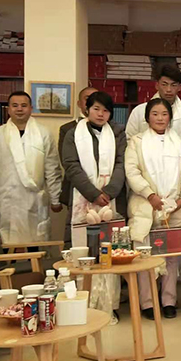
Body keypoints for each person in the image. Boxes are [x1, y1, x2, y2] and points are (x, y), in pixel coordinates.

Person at [125, 98, 181, 319]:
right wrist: (150, 195)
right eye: (155, 114)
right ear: (147, 117)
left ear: (170, 118)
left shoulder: (180, 143)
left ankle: (169, 300)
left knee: (171, 256)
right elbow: (132, 171)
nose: (160, 118)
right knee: (145, 255)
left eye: (164, 114)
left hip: (175, 208)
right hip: (146, 205)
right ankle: (148, 302)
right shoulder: (136, 142)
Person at [60, 91, 127, 323]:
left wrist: (108, 192)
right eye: (96, 109)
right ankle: (83, 304)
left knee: (110, 249)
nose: (101, 114)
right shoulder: (72, 133)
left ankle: (109, 305)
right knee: (83, 251)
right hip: (82, 198)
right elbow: (71, 165)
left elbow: (121, 163)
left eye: (106, 110)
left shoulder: (117, 133)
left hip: (111, 199)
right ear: (86, 109)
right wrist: (93, 193)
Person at [0, 91, 63, 243]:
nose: (19, 109)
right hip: (6, 198)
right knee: (6, 241)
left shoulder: (43, 134)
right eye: (15, 105)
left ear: (31, 108)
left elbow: (52, 169)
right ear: (8, 109)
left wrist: (55, 198)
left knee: (35, 242)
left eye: (24, 105)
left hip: (34, 199)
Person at [126, 66, 181, 140]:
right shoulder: (139, 111)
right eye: (164, 84)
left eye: (173, 85)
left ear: (179, 87)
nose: (168, 89)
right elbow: (129, 139)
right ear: (157, 85)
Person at [59, 86, 98, 209]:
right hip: (76, 187)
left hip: (105, 189)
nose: (92, 102)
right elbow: (69, 164)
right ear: (79, 103)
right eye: (87, 99)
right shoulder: (67, 129)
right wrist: (89, 190)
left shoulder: (113, 129)